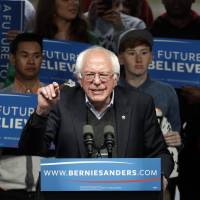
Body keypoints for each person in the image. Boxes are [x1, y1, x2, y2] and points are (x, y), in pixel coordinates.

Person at [19, 46, 173, 200]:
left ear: (115, 78)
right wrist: (42, 112)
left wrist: (161, 179)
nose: (97, 81)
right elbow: (32, 148)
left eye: (104, 74)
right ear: (79, 78)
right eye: (90, 74)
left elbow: (160, 153)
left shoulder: (140, 103)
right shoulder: (61, 101)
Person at [117, 29, 182, 200]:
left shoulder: (167, 92)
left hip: (156, 168)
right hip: (120, 167)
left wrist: (178, 139)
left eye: (144, 53)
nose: (139, 59)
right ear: (121, 58)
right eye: (132, 53)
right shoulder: (110, 90)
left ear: (151, 57)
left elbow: (176, 132)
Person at [0, 33, 44, 200]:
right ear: (12, 59)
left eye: (36, 56)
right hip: (6, 189)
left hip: (48, 189)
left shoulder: (55, 99)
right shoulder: (1, 99)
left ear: (42, 59)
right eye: (24, 55)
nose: (31, 61)